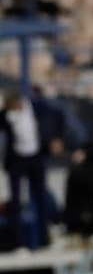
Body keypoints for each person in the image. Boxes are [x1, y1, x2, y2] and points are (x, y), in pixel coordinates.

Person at [1, 91, 53, 249]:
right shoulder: (7, 116)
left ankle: (43, 238)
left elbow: (53, 116)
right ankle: (17, 241)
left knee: (39, 198)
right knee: (16, 201)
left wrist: (53, 139)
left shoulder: (34, 109)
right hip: (17, 160)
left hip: (35, 158)